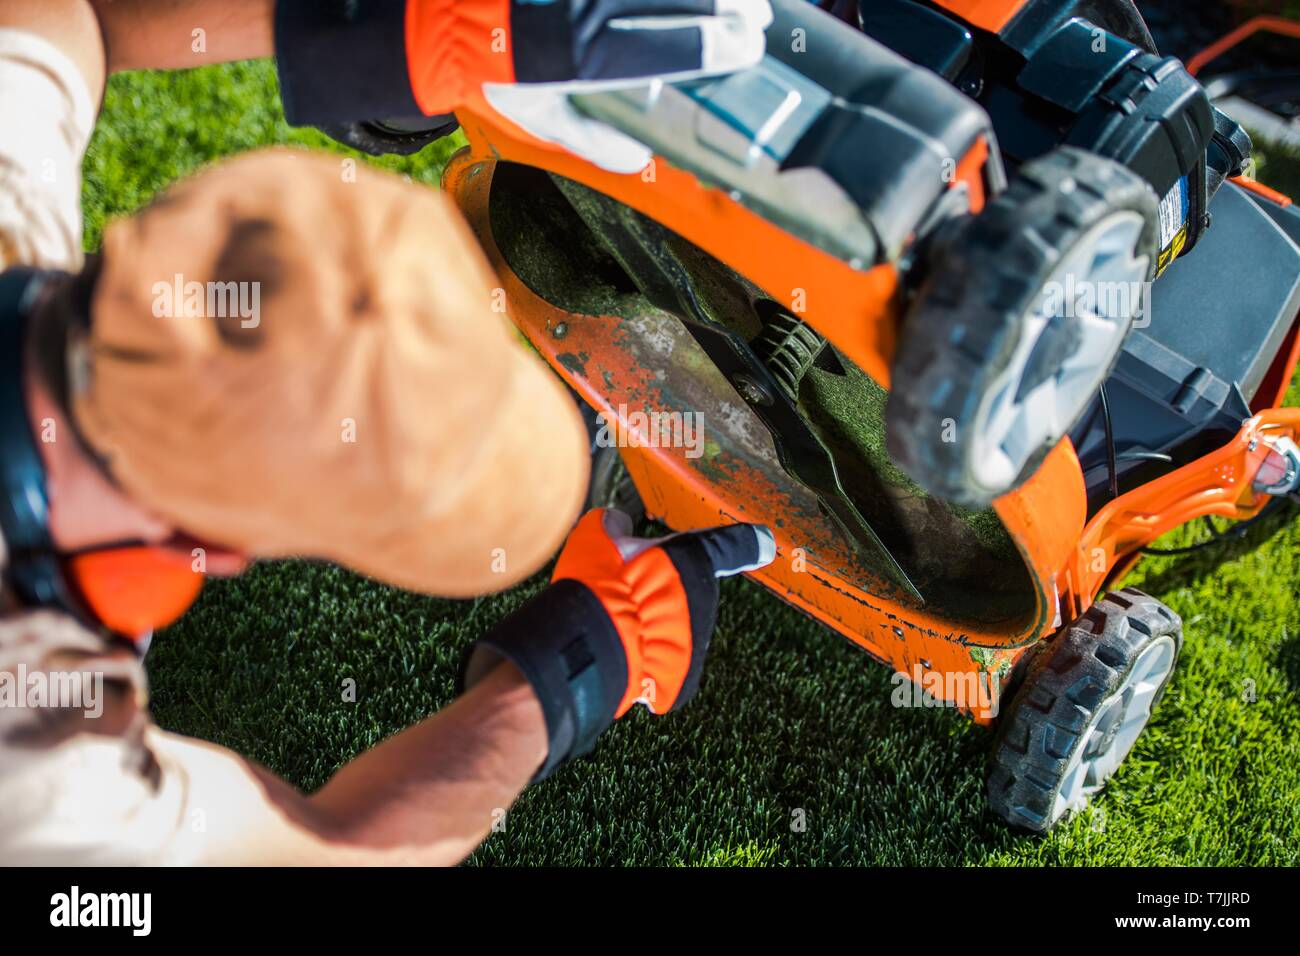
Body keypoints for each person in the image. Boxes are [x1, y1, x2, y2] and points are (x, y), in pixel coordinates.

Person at [0, 0, 774, 864]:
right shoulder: (43, 777)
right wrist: (590, 659)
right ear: (213, 553)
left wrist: (406, 25)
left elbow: (68, 19)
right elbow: (326, 851)